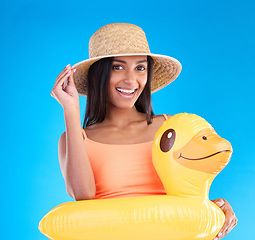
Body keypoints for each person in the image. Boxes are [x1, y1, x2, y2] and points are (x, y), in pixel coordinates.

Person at [50, 23, 237, 240]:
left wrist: (218, 207)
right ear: (98, 75)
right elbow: (83, 195)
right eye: (117, 67)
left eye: (140, 68)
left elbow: (189, 190)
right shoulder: (76, 139)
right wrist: (70, 111)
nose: (131, 80)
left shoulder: (171, 128)